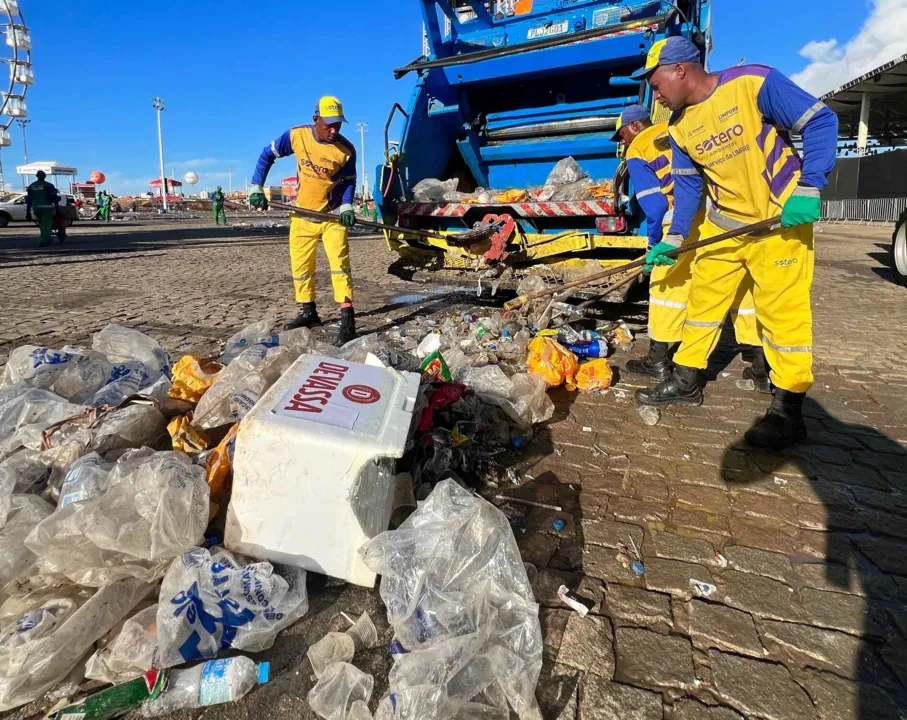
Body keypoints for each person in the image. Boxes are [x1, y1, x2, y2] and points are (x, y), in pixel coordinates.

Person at [631, 37, 838, 449]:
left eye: (656, 86)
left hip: (779, 223)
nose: (656, 97)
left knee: (783, 318)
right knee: (703, 302)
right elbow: (689, 189)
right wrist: (674, 239)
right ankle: (686, 379)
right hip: (725, 225)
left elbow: (820, 120)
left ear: (680, 70)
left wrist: (810, 186)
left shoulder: (752, 83)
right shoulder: (678, 127)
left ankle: (788, 410)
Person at [612, 104, 767, 387]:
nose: (622, 142)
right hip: (717, 216)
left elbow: (656, 207)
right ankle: (758, 363)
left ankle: (657, 360)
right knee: (737, 284)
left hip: (679, 224)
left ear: (634, 126)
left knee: (666, 286)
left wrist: (653, 246)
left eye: (621, 134)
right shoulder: (679, 130)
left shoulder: (638, 150)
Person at [249, 96, 358, 344]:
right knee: (301, 268)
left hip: (331, 216)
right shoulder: (296, 136)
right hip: (302, 215)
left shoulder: (346, 150)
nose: (334, 130)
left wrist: (347, 204)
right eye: (329, 124)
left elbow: (349, 181)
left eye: (338, 125)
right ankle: (309, 313)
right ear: (316, 119)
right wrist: (257, 187)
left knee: (340, 267)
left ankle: (348, 320)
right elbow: (267, 155)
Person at [25, 170, 60, 248]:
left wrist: (28, 212)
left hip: (36, 207)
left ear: (36, 176)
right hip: (46, 207)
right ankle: (44, 241)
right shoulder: (49, 185)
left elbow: (29, 199)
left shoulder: (32, 186)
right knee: (46, 224)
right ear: (45, 176)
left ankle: (46, 238)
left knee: (41, 224)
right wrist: (57, 209)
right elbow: (54, 198)